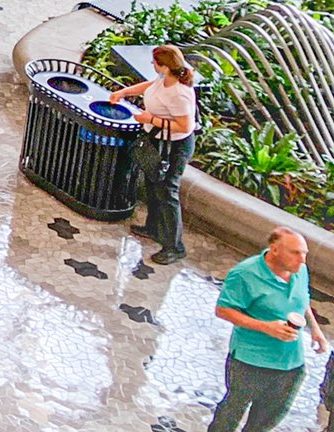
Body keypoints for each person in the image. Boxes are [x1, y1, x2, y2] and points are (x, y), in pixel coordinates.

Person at [209, 228, 326, 432]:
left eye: (304, 253)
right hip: (251, 361)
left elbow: (303, 298)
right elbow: (223, 310)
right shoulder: (245, 274)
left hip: (291, 363)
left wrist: (315, 329)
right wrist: (266, 327)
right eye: (295, 253)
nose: (302, 260)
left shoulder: (299, 270)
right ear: (274, 250)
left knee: (270, 416)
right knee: (232, 412)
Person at [110, 43, 198, 265]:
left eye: (155, 62)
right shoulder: (164, 81)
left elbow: (184, 126)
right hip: (157, 140)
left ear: (165, 67)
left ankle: (174, 246)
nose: (152, 65)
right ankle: (153, 227)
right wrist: (125, 92)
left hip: (174, 147)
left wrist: (150, 119)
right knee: (153, 183)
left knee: (168, 191)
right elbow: (151, 86)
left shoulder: (181, 94)